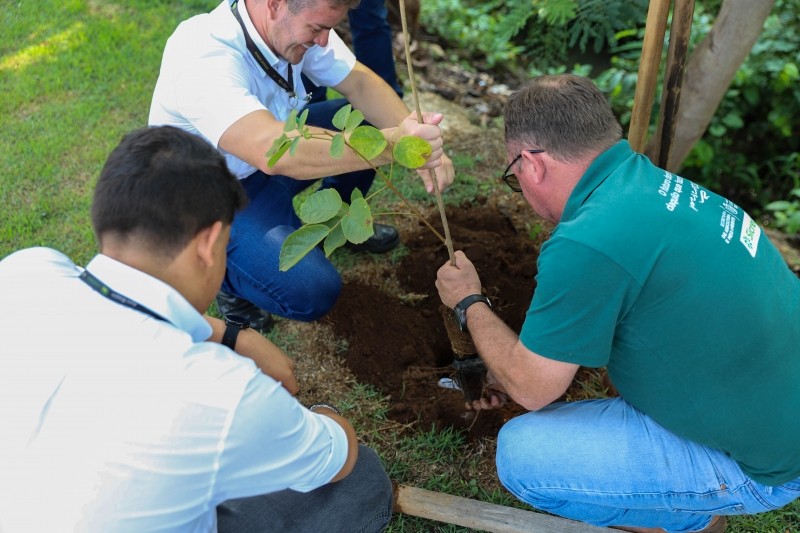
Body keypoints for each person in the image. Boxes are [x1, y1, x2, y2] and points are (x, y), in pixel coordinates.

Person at [435, 74, 800, 533]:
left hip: (770, 465)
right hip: (779, 405)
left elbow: (532, 389)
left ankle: (692, 522)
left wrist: (468, 301)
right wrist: (505, 367)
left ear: (531, 164)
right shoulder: (658, 187)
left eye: (514, 178)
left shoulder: (588, 241)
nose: (520, 188)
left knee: (524, 455)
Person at [0, 126, 393, 532]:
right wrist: (312, 413)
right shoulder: (222, 390)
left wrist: (233, 334)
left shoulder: (26, 271)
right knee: (361, 480)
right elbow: (337, 458)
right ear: (208, 246)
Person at [149, 0, 454, 330]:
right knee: (312, 291)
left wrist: (420, 145)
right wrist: (394, 147)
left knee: (366, 124)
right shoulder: (203, 54)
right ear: (275, 5)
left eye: (330, 29)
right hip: (211, 200)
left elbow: (361, 84)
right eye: (317, 29)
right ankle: (228, 280)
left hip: (263, 167)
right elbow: (272, 150)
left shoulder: (301, 23)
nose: (324, 41)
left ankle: (342, 225)